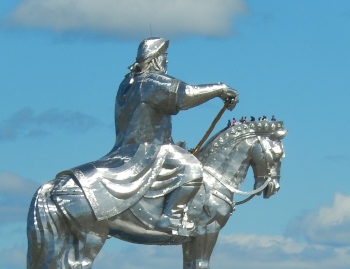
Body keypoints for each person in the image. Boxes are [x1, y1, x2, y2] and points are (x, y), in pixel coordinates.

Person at [63, 38, 238, 238]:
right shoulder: (151, 83)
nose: (166, 62)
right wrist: (220, 89)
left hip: (124, 148)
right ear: (155, 59)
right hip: (150, 149)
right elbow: (186, 95)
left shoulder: (128, 83)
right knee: (191, 167)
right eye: (164, 57)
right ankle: (171, 217)